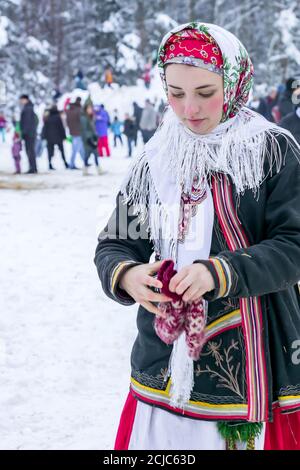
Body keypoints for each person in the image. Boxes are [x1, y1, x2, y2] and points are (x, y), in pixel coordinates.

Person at [94, 23, 300, 451]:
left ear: (234, 82)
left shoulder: (271, 151)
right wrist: (128, 275)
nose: (189, 109)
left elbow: (294, 244)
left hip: (255, 363)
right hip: (163, 364)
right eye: (176, 92)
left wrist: (219, 272)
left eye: (206, 92)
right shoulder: (154, 160)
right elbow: (116, 243)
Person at [41, 104, 68, 170]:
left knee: (50, 152)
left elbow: (45, 127)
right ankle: (65, 163)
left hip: (49, 138)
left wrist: (43, 136)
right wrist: (64, 136)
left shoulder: (47, 117)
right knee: (62, 151)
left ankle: (50, 164)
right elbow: (61, 127)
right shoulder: (58, 117)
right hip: (58, 137)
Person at [81, 102, 104, 175]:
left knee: (96, 154)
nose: (91, 109)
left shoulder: (91, 117)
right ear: (85, 109)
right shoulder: (84, 118)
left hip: (93, 139)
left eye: (91, 108)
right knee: (87, 156)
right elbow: (84, 130)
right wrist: (89, 139)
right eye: (89, 108)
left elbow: (93, 128)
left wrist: (96, 136)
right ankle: (85, 170)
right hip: (88, 140)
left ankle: (99, 169)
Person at [19, 94, 38, 174]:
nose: (20, 101)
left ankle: (32, 168)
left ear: (25, 99)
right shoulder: (29, 107)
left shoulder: (28, 109)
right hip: (31, 133)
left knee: (30, 151)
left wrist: (24, 133)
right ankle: (33, 167)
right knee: (30, 151)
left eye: (21, 100)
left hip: (29, 134)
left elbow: (27, 122)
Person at [66, 97, 85, 169]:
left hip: (72, 132)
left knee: (80, 148)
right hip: (78, 132)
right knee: (75, 149)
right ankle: (72, 164)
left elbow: (67, 122)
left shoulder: (69, 110)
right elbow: (82, 122)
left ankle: (85, 161)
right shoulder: (79, 110)